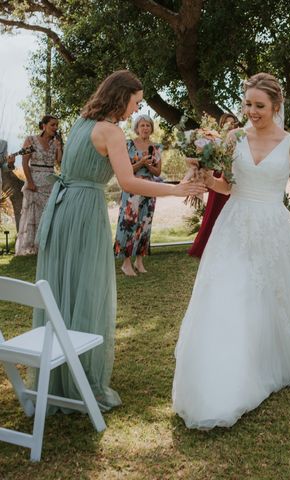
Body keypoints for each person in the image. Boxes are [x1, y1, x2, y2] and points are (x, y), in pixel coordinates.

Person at [172, 73, 290, 429]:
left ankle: (271, 359)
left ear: (276, 106)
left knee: (275, 296)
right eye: (247, 104)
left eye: (259, 106)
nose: (251, 111)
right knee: (232, 295)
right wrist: (206, 179)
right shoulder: (232, 138)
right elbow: (227, 186)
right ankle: (229, 373)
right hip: (234, 226)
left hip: (273, 227)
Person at [33, 70, 205, 413]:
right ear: (121, 95)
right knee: (87, 288)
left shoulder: (82, 122)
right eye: (136, 102)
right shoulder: (110, 130)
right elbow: (129, 182)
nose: (136, 109)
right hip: (83, 213)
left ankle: (58, 377)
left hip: (62, 208)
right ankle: (80, 379)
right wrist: (176, 189)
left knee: (63, 285)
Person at [113, 114, 162, 275]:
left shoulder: (156, 148)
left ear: (151, 128)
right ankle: (126, 263)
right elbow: (125, 170)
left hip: (149, 187)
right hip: (132, 186)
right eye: (142, 125)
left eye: (148, 125)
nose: (145, 128)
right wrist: (140, 163)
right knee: (129, 222)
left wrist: (148, 166)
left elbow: (158, 171)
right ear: (137, 128)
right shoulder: (128, 145)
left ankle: (139, 261)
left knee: (145, 224)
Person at [187, 113, 238, 259]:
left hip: (233, 182)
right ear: (222, 126)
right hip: (218, 180)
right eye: (227, 124)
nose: (230, 126)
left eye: (233, 123)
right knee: (214, 214)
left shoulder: (239, 141)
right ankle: (206, 246)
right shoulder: (216, 141)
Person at [14, 115, 63, 255]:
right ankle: (31, 246)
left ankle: (46, 245)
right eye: (52, 125)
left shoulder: (55, 143)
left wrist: (59, 147)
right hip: (35, 182)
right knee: (33, 215)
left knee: (49, 214)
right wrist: (30, 182)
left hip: (51, 181)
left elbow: (59, 162)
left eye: (56, 125)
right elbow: (25, 163)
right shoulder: (31, 140)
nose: (55, 128)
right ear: (44, 125)